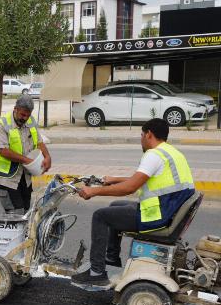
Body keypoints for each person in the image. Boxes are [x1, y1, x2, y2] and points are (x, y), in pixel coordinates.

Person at [72, 118, 194, 286]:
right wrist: (114, 180)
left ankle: (96, 272)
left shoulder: (153, 155)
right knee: (115, 207)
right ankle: (112, 258)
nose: (141, 140)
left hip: (157, 216)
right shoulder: (171, 152)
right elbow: (142, 179)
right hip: (167, 211)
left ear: (149, 134)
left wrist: (94, 191)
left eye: (142, 135)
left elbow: (130, 188)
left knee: (100, 216)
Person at [0, 95, 52, 214]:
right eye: (23, 115)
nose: (25, 118)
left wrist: (47, 156)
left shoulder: (31, 121)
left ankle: (21, 233)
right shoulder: (1, 124)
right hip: (7, 178)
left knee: (25, 211)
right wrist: (27, 160)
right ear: (16, 109)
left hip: (25, 177)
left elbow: (39, 142)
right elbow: (3, 151)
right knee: (16, 213)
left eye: (28, 115)